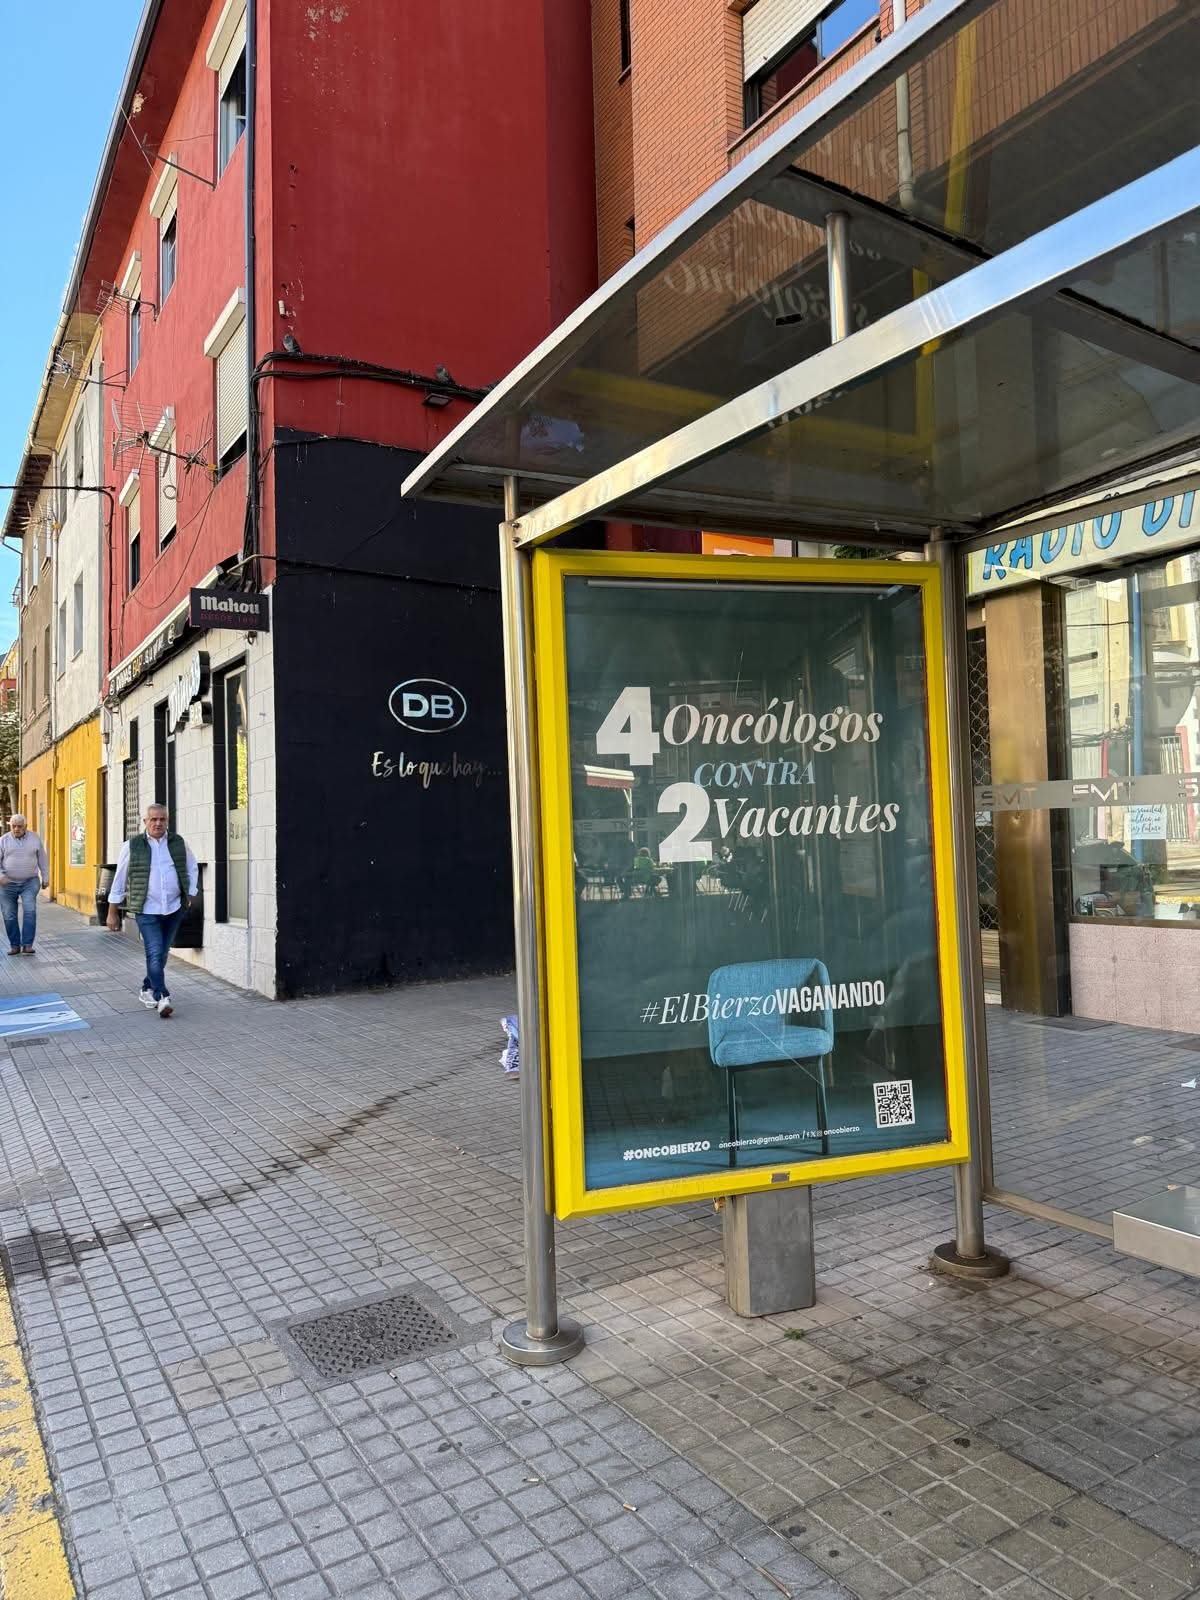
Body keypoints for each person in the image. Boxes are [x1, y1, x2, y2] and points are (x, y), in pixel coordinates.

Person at [105, 803, 198, 1019]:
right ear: (145, 821)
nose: (158, 823)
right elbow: (119, 879)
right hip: (147, 910)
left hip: (174, 908)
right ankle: (162, 996)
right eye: (153, 819)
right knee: (155, 953)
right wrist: (112, 912)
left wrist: (190, 893)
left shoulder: (178, 843)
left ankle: (146, 988)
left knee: (162, 954)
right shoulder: (132, 846)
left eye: (162, 819)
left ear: (167, 820)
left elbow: (192, 867)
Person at [0, 814, 49, 955]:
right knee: (9, 915)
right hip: (7, 883)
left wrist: (45, 877)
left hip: (30, 881)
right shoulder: (3, 841)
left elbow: (43, 859)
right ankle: (15, 945)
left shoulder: (34, 839)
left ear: (25, 826)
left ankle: (27, 944)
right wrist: (1, 876)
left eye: (19, 826)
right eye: (13, 826)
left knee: (30, 910)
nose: (16, 829)